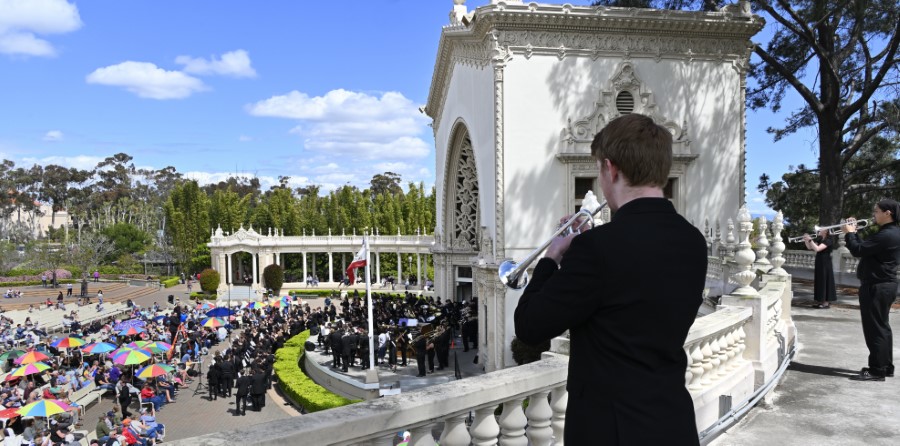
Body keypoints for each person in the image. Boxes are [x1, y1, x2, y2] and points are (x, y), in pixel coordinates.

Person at [513, 114, 707, 444]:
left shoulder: (597, 250)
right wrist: (587, 250)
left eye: (600, 173)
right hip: (673, 422)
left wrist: (552, 258)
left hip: (611, 431)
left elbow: (530, 325)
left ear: (611, 168)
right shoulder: (693, 240)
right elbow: (632, 290)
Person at [843, 198, 900, 381]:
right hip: (883, 285)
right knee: (882, 327)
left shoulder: (886, 234)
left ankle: (876, 371)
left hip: (877, 286)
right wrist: (855, 233)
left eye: (876, 211)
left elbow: (857, 250)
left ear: (887, 213)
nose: (873, 214)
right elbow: (866, 249)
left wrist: (849, 234)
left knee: (874, 329)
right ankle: (885, 366)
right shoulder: (890, 233)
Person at [803, 228, 837, 308]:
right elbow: (810, 247)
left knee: (825, 281)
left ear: (826, 231)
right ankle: (821, 301)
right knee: (820, 280)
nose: (819, 230)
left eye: (821, 229)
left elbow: (818, 249)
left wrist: (810, 240)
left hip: (826, 263)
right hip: (820, 262)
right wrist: (806, 240)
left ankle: (826, 303)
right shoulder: (820, 239)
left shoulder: (828, 240)